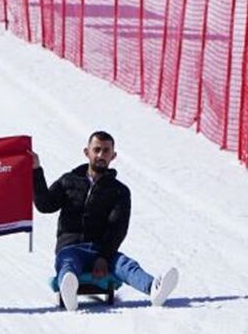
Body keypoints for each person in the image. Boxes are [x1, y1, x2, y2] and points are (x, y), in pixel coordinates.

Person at [32, 132, 179, 311]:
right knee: (67, 263)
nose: (101, 155)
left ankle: (153, 289)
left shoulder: (119, 191)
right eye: (97, 150)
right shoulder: (68, 181)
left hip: (100, 249)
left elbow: (117, 227)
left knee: (125, 264)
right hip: (70, 247)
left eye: (106, 151)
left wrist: (103, 257)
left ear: (113, 155)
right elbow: (45, 205)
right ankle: (68, 288)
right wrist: (36, 170)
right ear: (87, 152)